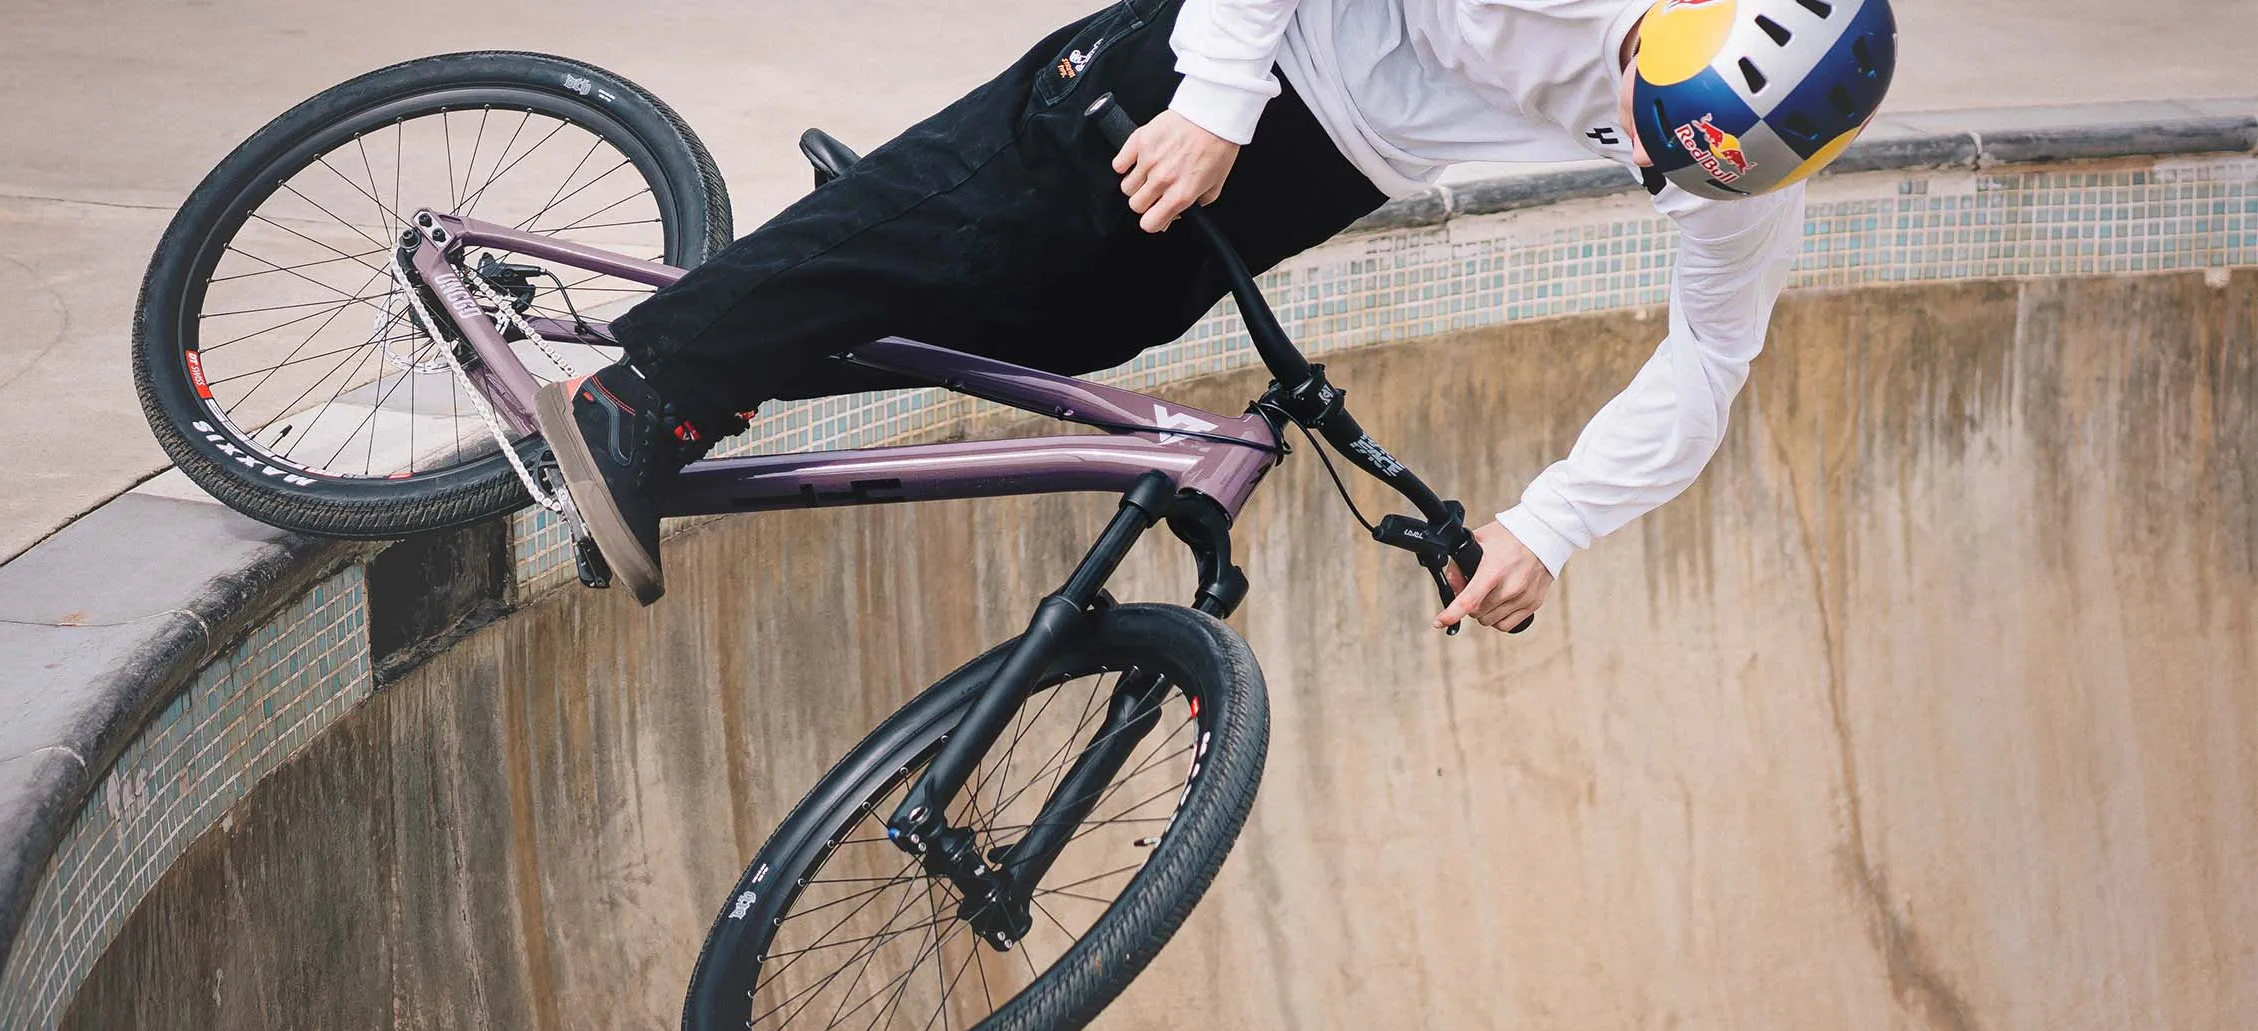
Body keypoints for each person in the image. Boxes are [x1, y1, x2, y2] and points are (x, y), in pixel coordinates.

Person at [536, 0, 1897, 631]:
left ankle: (816, 288)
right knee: (992, 218)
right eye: (1644, 123)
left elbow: (1713, 354)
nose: (1640, 161)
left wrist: (1552, 526)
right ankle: (642, 395)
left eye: (1674, 168)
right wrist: (1216, 103)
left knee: (1072, 336)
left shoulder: (1751, 161)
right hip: (1248, 49)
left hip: (1337, 165)